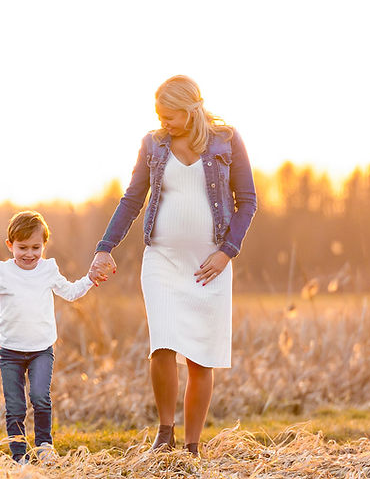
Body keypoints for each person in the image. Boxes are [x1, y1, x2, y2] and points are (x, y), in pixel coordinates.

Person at [88, 75, 257, 457]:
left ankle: (192, 447)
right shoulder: (153, 143)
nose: (164, 122)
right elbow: (132, 199)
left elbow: (247, 201)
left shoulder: (227, 140)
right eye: (159, 115)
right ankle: (165, 436)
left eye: (171, 115)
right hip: (161, 260)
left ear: (192, 109)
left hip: (210, 266)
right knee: (163, 344)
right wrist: (105, 248)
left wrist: (227, 252)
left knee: (200, 357)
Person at [0, 211, 93, 463]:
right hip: (11, 353)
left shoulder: (48, 269)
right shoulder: (1, 271)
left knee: (40, 397)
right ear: (10, 245)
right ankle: (19, 454)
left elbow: (71, 292)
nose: (29, 254)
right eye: (22, 247)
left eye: (36, 247)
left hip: (42, 350)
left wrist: (91, 279)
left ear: (44, 245)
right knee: (15, 406)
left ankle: (44, 445)